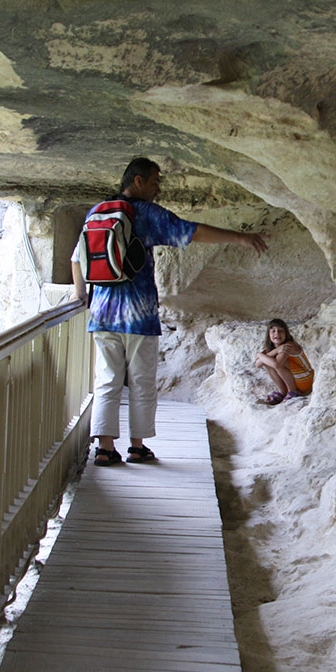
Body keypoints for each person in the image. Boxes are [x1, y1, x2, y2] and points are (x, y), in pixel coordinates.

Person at [71, 156, 269, 466]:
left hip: (102, 313)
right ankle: (137, 447)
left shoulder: (98, 212)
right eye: (155, 181)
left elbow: (76, 257)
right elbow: (189, 231)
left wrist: (81, 294)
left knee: (107, 380)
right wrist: (240, 238)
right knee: (140, 381)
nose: (158, 189)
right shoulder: (145, 213)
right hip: (139, 316)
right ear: (138, 181)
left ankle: (105, 448)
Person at [254, 318, 314, 405]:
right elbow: (257, 364)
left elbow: (277, 364)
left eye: (281, 331)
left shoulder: (289, 345)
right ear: (268, 335)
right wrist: (274, 351)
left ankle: (293, 392)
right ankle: (282, 392)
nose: (277, 334)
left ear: (286, 333)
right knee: (267, 362)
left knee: (276, 361)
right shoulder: (271, 349)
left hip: (304, 379)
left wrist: (259, 355)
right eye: (273, 331)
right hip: (292, 381)